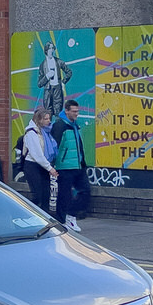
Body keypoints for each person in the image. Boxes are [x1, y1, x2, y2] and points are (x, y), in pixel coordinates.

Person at [50, 99, 89, 232]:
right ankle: (61, 221)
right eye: (74, 111)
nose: (76, 114)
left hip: (78, 165)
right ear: (66, 111)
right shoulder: (60, 125)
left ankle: (71, 216)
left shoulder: (74, 124)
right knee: (64, 195)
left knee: (85, 191)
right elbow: (54, 146)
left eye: (77, 111)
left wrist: (82, 161)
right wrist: (52, 165)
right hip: (64, 166)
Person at [21, 108, 57, 213]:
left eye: (49, 118)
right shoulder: (31, 133)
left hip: (42, 166)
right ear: (39, 120)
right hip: (33, 166)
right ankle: (25, 212)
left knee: (46, 195)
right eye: (46, 119)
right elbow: (37, 154)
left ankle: (45, 218)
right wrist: (50, 168)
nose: (49, 121)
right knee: (38, 195)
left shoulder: (44, 132)